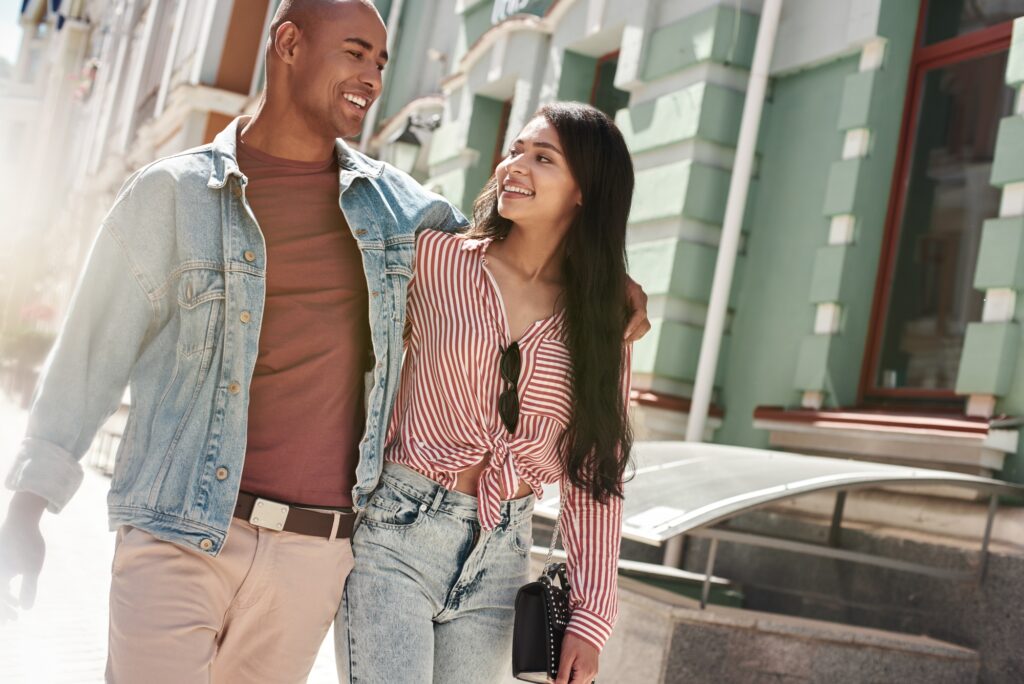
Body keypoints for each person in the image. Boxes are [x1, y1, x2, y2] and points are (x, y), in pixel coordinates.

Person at [0, 1, 651, 681]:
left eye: (381, 60)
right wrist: (29, 503)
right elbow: (89, 355)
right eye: (355, 52)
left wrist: (612, 287)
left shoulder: (398, 212)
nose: (372, 74)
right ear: (288, 43)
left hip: (360, 551)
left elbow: (590, 458)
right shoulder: (182, 196)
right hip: (207, 526)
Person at [340, 102, 635, 684]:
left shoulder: (603, 325)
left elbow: (595, 477)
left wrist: (590, 616)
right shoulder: (435, 260)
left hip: (503, 562)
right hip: (396, 535)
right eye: (514, 150)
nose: (514, 166)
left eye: (542, 158)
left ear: (585, 192)